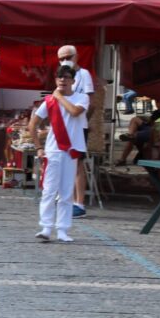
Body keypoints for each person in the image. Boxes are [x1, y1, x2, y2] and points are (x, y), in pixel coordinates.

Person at [28, 65, 88, 243]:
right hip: (53, 149)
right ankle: (46, 227)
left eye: (67, 77)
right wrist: (39, 147)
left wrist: (59, 96)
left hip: (71, 149)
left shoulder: (81, 97)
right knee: (49, 190)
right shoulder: (49, 101)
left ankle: (62, 229)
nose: (63, 80)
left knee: (66, 191)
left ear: (73, 81)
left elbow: (75, 112)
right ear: (56, 80)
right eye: (60, 78)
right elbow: (33, 124)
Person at [57, 46, 94, 219]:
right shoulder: (61, 77)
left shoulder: (83, 74)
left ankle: (79, 203)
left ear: (76, 56)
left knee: (77, 163)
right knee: (64, 160)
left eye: (68, 57)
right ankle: (67, 199)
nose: (65, 61)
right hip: (64, 124)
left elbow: (90, 101)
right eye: (61, 58)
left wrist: (85, 119)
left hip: (79, 124)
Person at [116, 99, 160, 165]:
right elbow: (150, 121)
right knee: (135, 120)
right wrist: (144, 118)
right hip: (149, 128)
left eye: (158, 102)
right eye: (156, 102)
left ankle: (123, 158)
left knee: (133, 138)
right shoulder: (157, 112)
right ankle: (130, 135)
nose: (156, 104)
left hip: (157, 130)